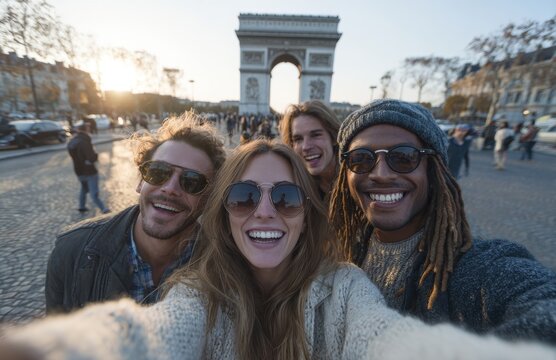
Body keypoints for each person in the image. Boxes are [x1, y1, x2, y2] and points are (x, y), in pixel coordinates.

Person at [3, 139, 555, 360]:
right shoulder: (198, 292)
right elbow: (150, 333)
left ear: (307, 213)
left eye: (287, 196)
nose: (264, 211)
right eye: (244, 195)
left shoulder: (344, 291)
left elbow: (392, 340)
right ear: (222, 212)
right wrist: (60, 347)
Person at [330, 99, 556, 343]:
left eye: (404, 157)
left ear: (434, 169)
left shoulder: (478, 269)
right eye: (361, 159)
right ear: (345, 174)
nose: (381, 174)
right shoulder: (339, 249)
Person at [46, 112, 226, 313]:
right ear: (141, 181)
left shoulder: (224, 267)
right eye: (158, 172)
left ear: (209, 198)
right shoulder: (71, 251)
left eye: (192, 181)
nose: (170, 188)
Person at [280, 100, 341, 198]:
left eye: (315, 135)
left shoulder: (357, 179)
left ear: (334, 137)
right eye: (298, 139)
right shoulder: (296, 186)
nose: (306, 147)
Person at [67, 123, 110, 214]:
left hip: (78, 171)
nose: (90, 130)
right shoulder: (85, 141)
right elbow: (91, 157)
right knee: (94, 192)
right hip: (89, 170)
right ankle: (104, 209)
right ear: (86, 130)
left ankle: (81, 206)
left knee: (84, 188)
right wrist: (95, 156)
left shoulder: (72, 141)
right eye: (88, 128)